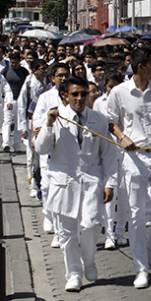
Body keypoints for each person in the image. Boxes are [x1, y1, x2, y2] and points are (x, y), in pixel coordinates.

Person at [33, 77, 117, 292]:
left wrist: (110, 183)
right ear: (65, 96)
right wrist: (49, 124)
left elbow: (108, 155)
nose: (79, 98)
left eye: (83, 94)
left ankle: (88, 261)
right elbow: (41, 149)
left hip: (91, 181)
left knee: (91, 226)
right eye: (75, 94)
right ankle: (73, 274)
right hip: (63, 183)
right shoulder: (55, 117)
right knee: (67, 234)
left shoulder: (98, 119)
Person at [107, 45, 151, 289]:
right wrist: (122, 137)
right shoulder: (119, 92)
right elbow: (111, 122)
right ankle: (140, 267)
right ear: (140, 67)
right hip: (134, 158)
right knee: (136, 215)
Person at [32, 62, 71, 246]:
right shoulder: (46, 97)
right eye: (60, 75)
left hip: (66, 150)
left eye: (66, 75)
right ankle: (49, 216)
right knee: (47, 187)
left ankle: (61, 228)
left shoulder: (74, 95)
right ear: (53, 78)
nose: (63, 78)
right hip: (48, 145)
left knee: (62, 191)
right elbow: (38, 119)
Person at [93, 71, 128, 250]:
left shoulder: (127, 99)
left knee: (124, 194)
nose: (113, 89)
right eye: (109, 86)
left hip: (126, 152)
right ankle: (109, 235)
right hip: (107, 152)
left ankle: (121, 232)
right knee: (109, 192)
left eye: (116, 85)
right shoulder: (99, 103)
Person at [16, 59, 47, 198]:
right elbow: (22, 105)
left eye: (45, 68)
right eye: (41, 68)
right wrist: (23, 126)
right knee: (32, 154)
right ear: (34, 70)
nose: (44, 71)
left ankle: (42, 182)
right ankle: (32, 182)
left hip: (44, 122)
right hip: (30, 122)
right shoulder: (28, 83)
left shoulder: (48, 83)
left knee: (43, 154)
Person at [3, 51, 29, 151]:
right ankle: (6, 144)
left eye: (15, 62)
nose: (13, 64)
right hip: (9, 100)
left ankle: (17, 145)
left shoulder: (24, 71)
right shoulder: (6, 71)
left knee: (18, 123)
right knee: (7, 121)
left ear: (19, 61)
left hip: (20, 101)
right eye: (11, 62)